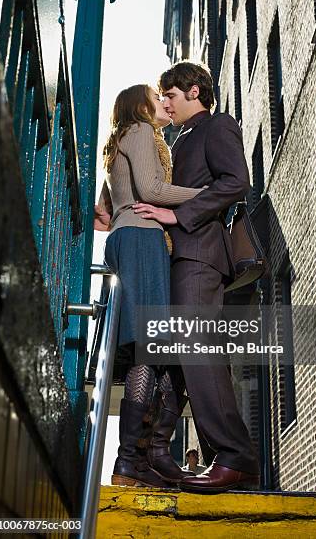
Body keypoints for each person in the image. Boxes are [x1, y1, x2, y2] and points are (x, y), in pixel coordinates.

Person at [133, 61, 260, 492]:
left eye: (169, 95)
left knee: (197, 351)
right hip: (175, 259)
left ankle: (235, 456)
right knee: (181, 359)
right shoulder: (176, 139)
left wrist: (178, 213)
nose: (164, 103)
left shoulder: (217, 125)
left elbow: (236, 181)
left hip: (200, 254)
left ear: (192, 91)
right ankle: (172, 456)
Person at [95, 83, 205, 487]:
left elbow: (105, 213)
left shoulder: (124, 140)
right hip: (142, 238)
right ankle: (129, 463)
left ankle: (141, 462)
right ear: (138, 107)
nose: (162, 103)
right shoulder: (141, 132)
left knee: (158, 352)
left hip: (136, 239)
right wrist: (209, 194)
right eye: (154, 97)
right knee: (150, 347)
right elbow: (153, 190)